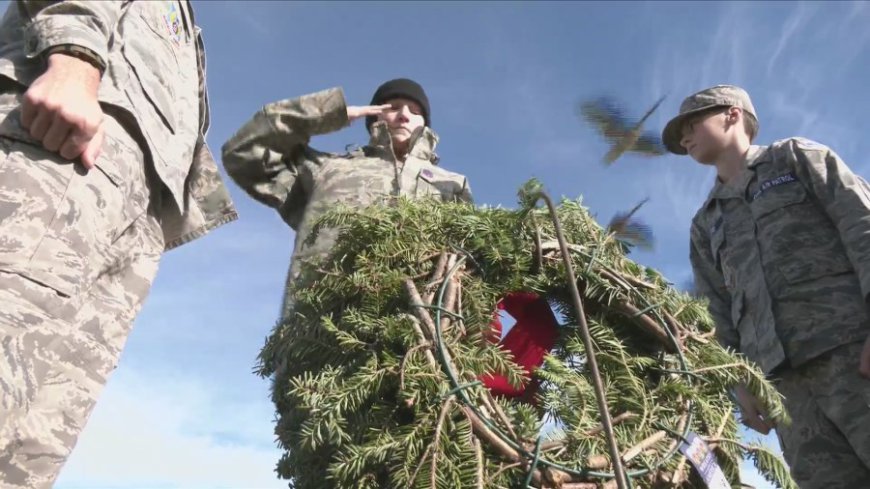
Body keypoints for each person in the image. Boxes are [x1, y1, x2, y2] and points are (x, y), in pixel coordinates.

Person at [0, 2, 237, 487]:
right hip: (63, 150)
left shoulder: (187, 23)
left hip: (131, 212)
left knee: (32, 443)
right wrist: (73, 55)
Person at [663, 84, 870, 487]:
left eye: (692, 124)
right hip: (783, 387)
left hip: (851, 352)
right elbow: (714, 312)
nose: (685, 138)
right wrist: (742, 385)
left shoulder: (795, 158)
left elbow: (862, 227)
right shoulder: (705, 223)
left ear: (732, 114)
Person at [222, 78, 472, 320]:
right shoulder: (326, 168)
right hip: (321, 326)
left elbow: (470, 268)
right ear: (374, 115)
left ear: (425, 123)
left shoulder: (451, 183)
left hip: (423, 337)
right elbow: (243, 151)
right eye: (393, 107)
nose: (404, 115)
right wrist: (329, 113)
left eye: (415, 111)